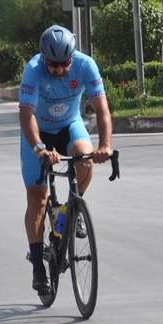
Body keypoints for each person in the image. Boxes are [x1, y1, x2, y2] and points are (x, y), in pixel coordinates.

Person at [19, 25, 113, 294]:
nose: (60, 70)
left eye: (64, 64)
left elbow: (102, 108)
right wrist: (38, 149)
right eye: (53, 65)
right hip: (39, 131)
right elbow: (26, 116)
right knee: (38, 199)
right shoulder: (33, 70)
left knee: (86, 160)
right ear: (43, 59)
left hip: (70, 124)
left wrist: (105, 145)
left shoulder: (86, 66)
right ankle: (38, 268)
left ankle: (71, 209)